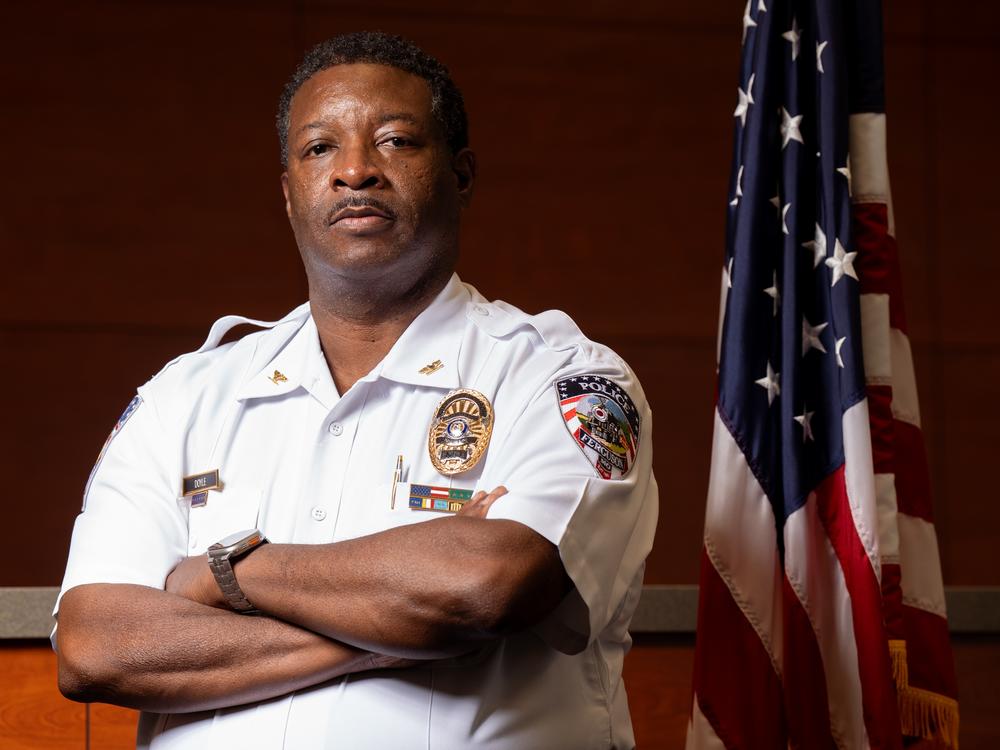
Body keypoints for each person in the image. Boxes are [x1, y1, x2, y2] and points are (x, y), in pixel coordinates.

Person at [54, 31, 658, 749]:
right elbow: (97, 647)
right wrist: (396, 635)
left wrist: (225, 573)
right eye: (318, 149)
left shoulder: (562, 380)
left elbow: (485, 585)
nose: (354, 171)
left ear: (461, 175)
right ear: (288, 194)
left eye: (397, 141)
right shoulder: (183, 398)